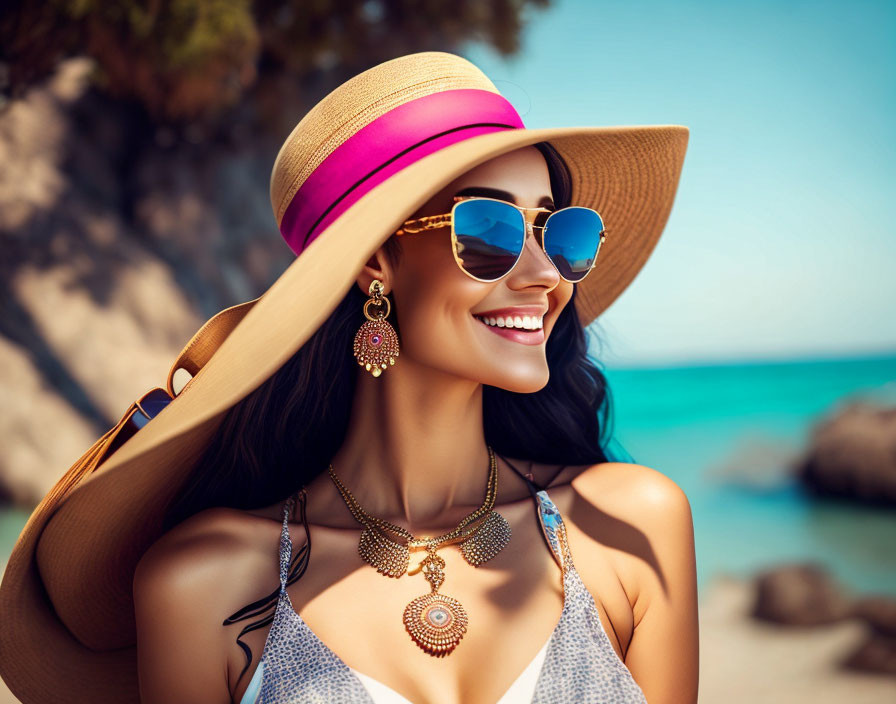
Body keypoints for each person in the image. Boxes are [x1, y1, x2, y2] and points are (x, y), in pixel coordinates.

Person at [0, 52, 697, 704]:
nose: (544, 274)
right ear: (374, 262)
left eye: (557, 232)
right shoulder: (203, 583)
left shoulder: (630, 528)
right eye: (490, 233)